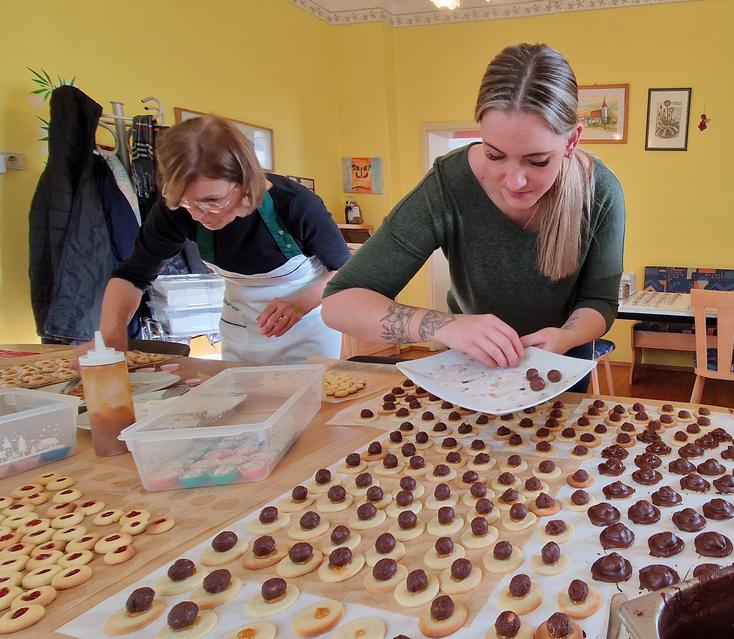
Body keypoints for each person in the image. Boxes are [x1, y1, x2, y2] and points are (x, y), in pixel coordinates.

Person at [322, 43, 625, 391]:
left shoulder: (599, 191)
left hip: (560, 368)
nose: (514, 182)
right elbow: (339, 303)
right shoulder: (448, 184)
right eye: (495, 155)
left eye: (538, 161)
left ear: (572, 140)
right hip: (472, 372)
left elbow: (599, 300)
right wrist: (443, 326)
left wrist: (563, 336)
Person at [96, 116, 350, 364]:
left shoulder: (296, 205)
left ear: (245, 181)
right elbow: (133, 275)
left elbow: (345, 273)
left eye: (212, 201)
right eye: (186, 202)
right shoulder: (178, 210)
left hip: (307, 328)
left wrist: (301, 303)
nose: (197, 214)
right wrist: (111, 337)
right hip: (240, 328)